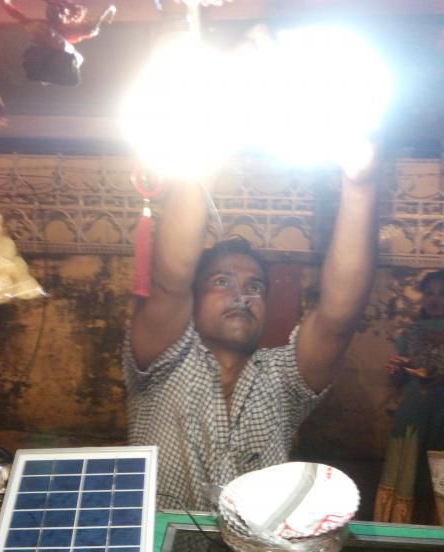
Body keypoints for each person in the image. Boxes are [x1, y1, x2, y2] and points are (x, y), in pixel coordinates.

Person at [124, 152, 378, 512]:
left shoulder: (283, 378)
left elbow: (338, 320)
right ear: (192, 299)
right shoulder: (162, 357)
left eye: (255, 286)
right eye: (222, 281)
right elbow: (169, 280)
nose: (242, 296)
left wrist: (360, 183)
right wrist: (203, 155)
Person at [374, 270, 444, 524]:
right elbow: (400, 382)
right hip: (414, 414)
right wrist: (396, 371)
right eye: (430, 293)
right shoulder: (409, 334)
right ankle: (402, 544)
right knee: (411, 476)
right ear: (422, 298)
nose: (435, 299)